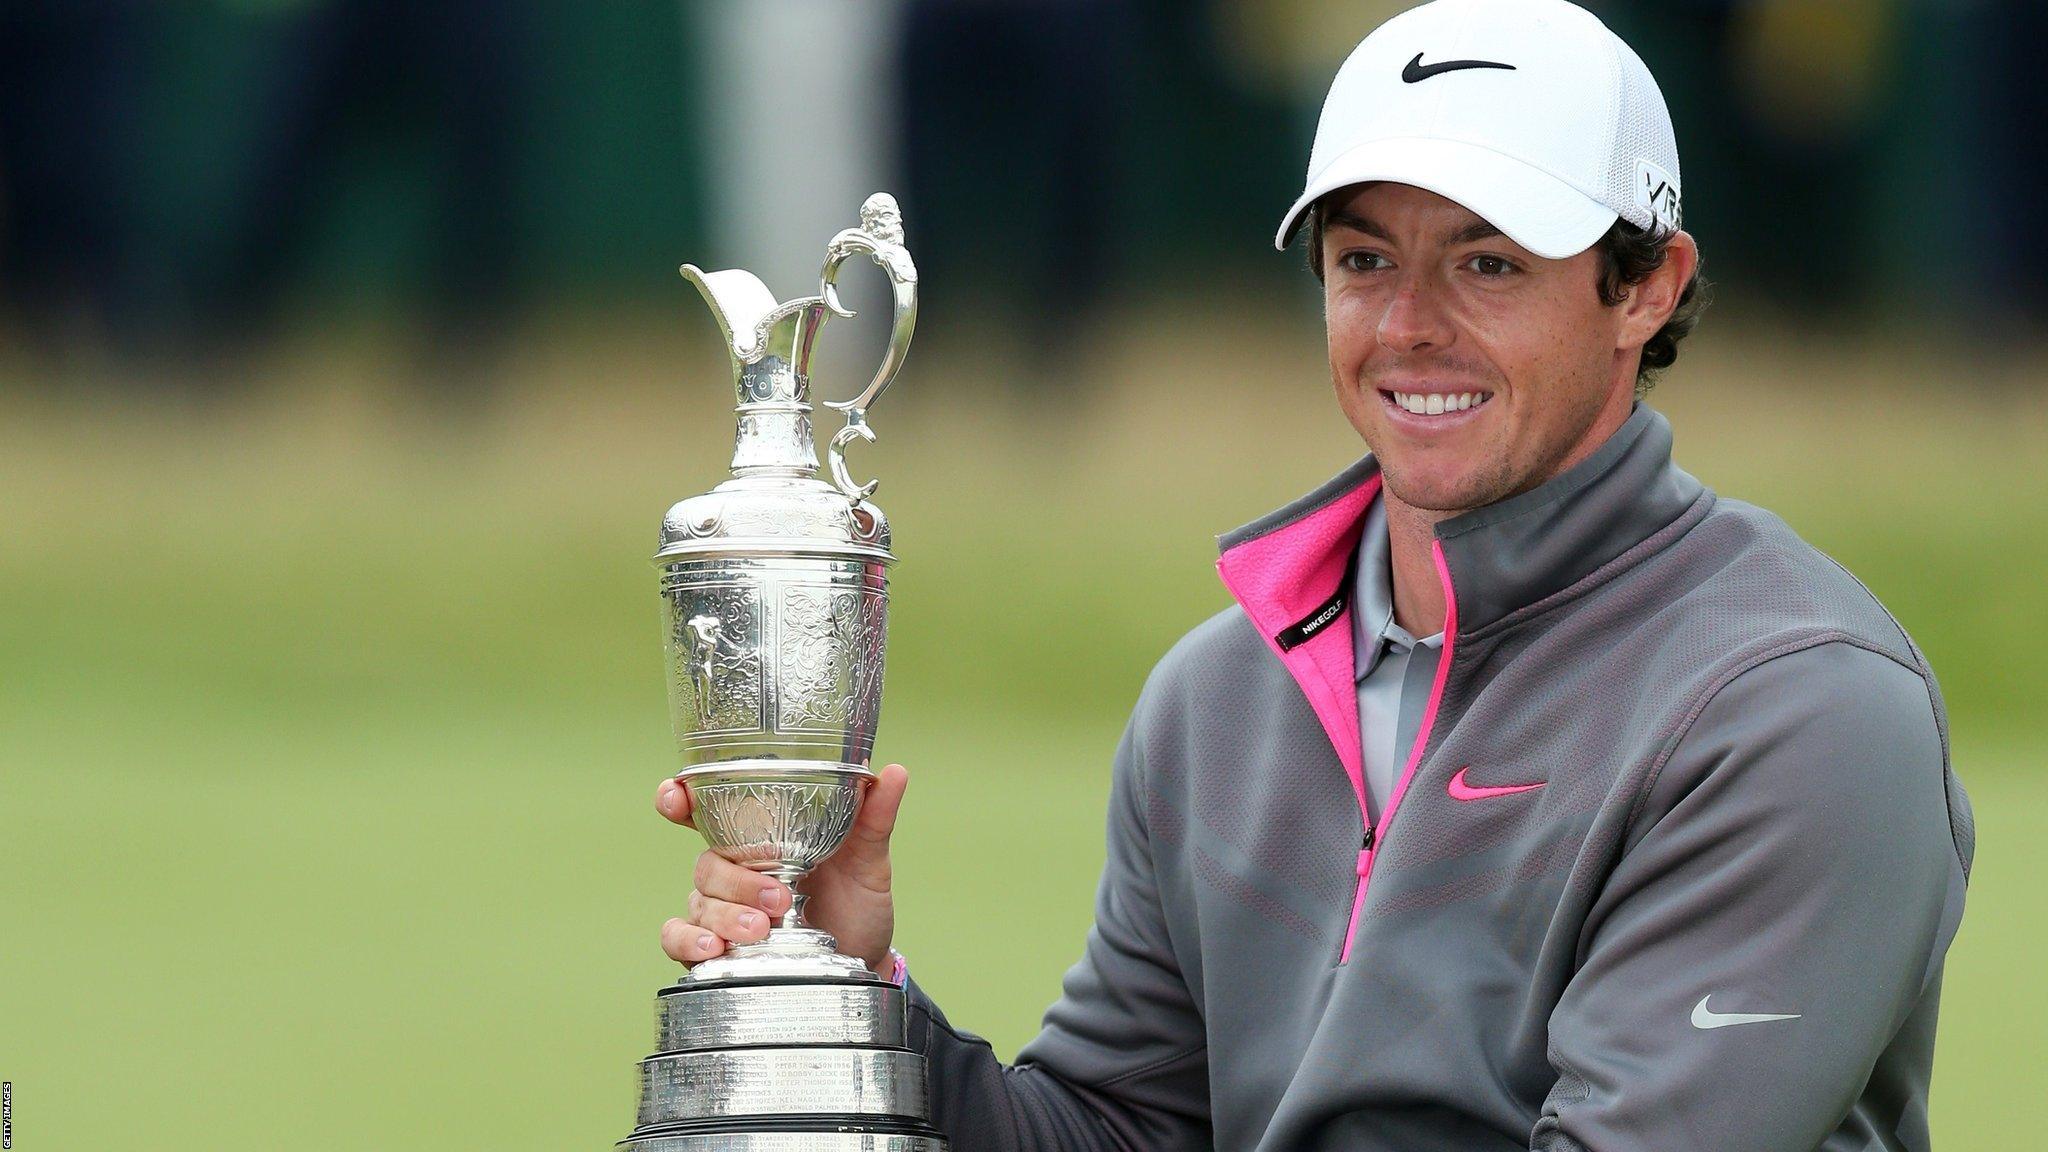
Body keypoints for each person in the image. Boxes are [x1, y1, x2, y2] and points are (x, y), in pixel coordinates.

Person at [654, 1, 1974, 1147]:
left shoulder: (1795, 706)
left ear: (1645, 286)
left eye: (1489, 263)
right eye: (1363, 260)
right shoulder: (1223, 694)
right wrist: (854, 995)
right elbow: (1117, 1127)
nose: (1409, 325)